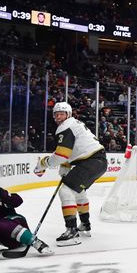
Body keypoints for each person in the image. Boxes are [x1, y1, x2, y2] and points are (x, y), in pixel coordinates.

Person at [33, 102, 107, 246]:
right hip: (97, 161)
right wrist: (66, 164)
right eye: (56, 114)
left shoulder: (65, 126)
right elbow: (72, 150)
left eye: (62, 114)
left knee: (66, 191)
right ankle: (85, 224)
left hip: (91, 161)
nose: (59, 117)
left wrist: (44, 163)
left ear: (69, 114)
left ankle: (71, 230)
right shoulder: (74, 124)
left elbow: (61, 155)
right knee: (78, 192)